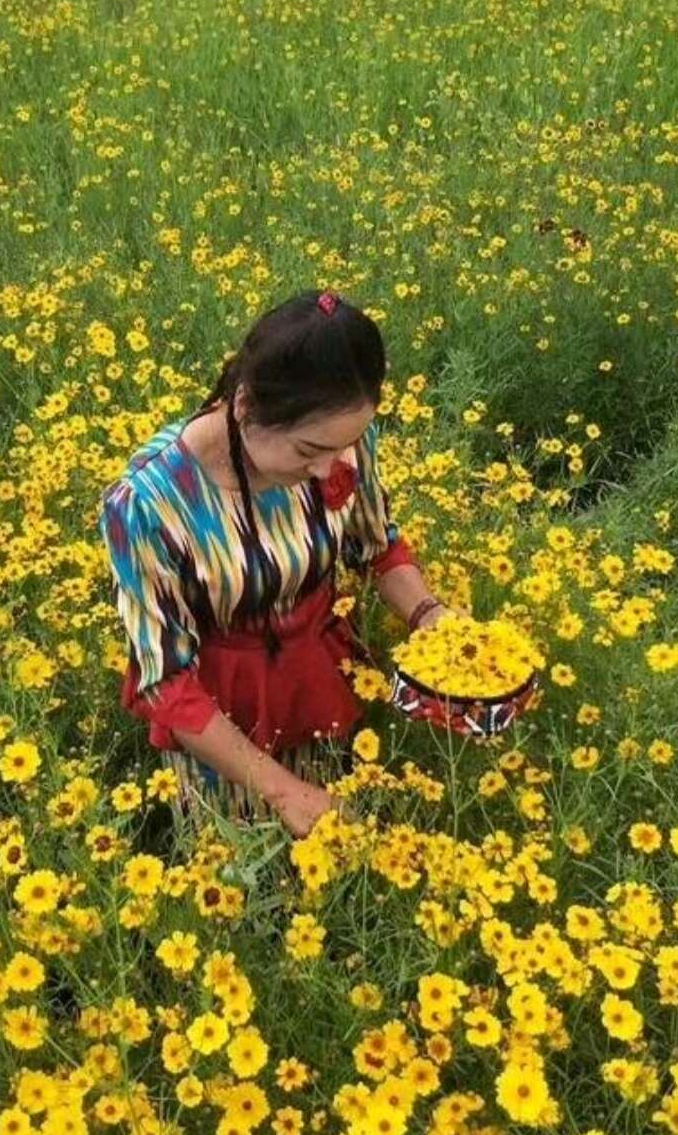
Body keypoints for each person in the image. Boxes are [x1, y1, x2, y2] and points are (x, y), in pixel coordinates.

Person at [99, 288, 460, 838]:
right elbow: (165, 681)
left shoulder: (337, 442)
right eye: (307, 451)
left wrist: (430, 615)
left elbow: (375, 544)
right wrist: (282, 789)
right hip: (224, 731)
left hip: (324, 686)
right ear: (244, 407)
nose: (328, 469)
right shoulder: (149, 504)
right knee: (244, 873)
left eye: (346, 445)